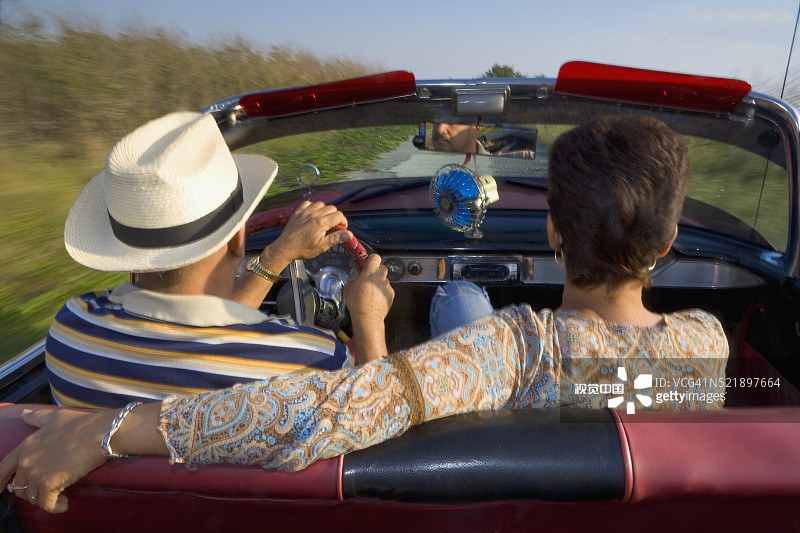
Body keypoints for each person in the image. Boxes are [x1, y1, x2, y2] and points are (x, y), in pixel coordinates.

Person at [1, 115, 729, 514]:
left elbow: (334, 412)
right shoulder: (713, 348)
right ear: (666, 244)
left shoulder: (507, 349)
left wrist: (111, 428)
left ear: (552, 233)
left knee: (457, 300)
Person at [43, 111, 394, 408]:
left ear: (127, 249)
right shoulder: (309, 363)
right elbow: (377, 410)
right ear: (240, 238)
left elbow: (214, 331)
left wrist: (276, 256)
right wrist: (368, 317)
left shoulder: (69, 334)